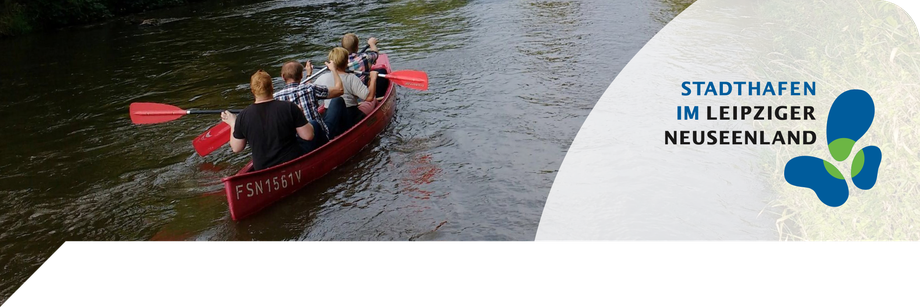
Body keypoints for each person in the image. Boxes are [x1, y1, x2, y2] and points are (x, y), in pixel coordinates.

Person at [220, 70, 313, 171]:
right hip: (291, 163)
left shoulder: (243, 116)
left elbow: (236, 148)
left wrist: (233, 123)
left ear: (252, 91)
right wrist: (301, 114)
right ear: (272, 88)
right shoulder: (290, 107)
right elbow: (308, 136)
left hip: (262, 169)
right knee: (315, 124)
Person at [273, 60, 344, 153]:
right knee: (337, 100)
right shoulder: (310, 88)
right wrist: (334, 70)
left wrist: (309, 75)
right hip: (319, 137)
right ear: (301, 76)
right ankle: (345, 133)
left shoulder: (275, 98)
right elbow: (339, 90)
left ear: (283, 77)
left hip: (296, 143)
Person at [314, 47, 378, 137]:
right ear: (347, 62)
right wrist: (373, 79)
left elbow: (309, 89)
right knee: (374, 99)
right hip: (351, 116)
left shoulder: (322, 77)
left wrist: (309, 73)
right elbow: (369, 98)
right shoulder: (351, 78)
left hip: (329, 114)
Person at [342, 33, 389, 98]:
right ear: (357, 47)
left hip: (348, 91)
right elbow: (375, 53)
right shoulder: (365, 58)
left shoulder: (339, 61)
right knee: (382, 71)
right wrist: (372, 44)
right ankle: (379, 96)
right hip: (363, 91)